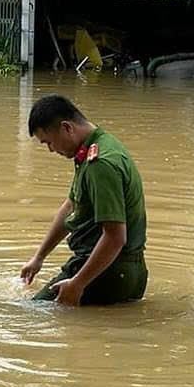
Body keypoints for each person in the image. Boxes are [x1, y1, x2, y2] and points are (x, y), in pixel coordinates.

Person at [20, 93, 147, 307]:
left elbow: (115, 237)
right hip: (124, 273)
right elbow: (71, 206)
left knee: (29, 313)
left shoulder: (100, 164)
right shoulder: (95, 147)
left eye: (49, 142)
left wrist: (77, 284)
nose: (51, 150)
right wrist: (39, 257)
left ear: (67, 128)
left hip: (110, 274)